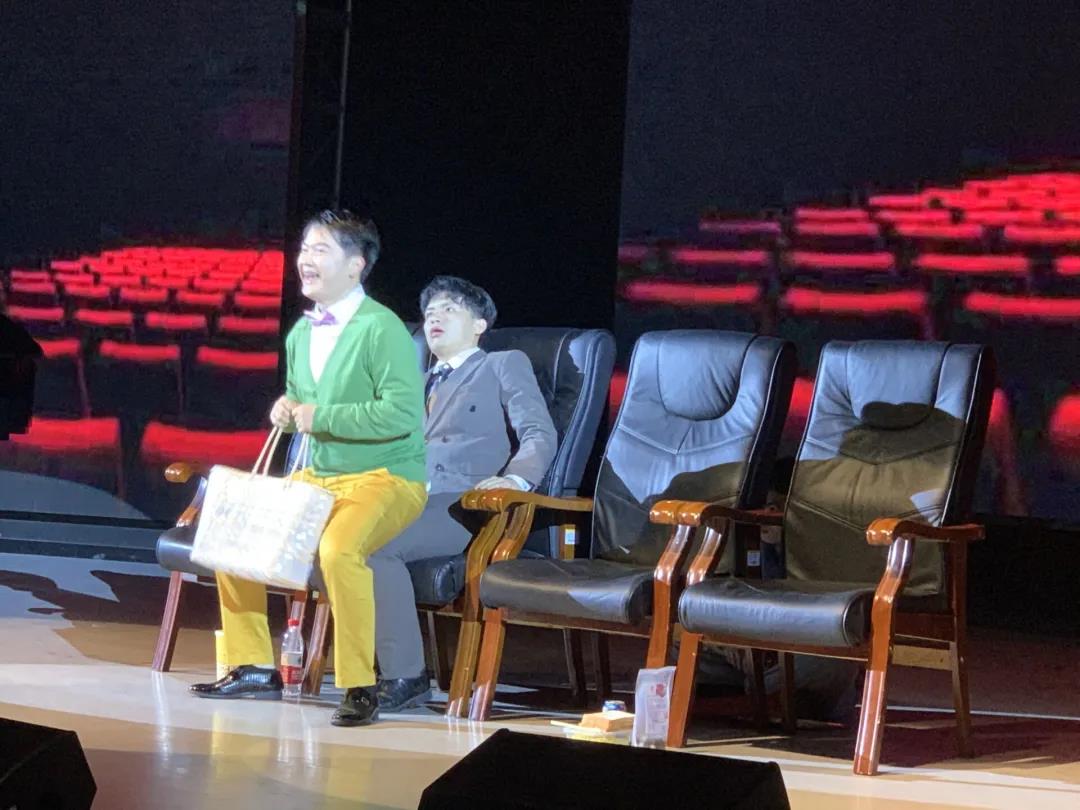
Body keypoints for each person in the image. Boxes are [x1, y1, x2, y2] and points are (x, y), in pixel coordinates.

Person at [190, 210, 428, 727]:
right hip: (320, 476)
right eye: (304, 249)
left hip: (385, 476)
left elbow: (403, 415)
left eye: (321, 250)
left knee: (339, 550)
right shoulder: (301, 332)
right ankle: (254, 665)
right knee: (238, 531)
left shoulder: (381, 327)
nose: (305, 260)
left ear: (356, 265)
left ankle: (359, 684)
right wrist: (288, 409)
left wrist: (319, 416)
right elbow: (303, 401)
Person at [369, 275, 557, 711]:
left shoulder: (501, 364)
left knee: (374, 546)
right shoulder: (413, 383)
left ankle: (405, 675)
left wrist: (516, 480)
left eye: (449, 309)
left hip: (463, 504)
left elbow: (538, 432)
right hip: (404, 497)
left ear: (479, 325)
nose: (435, 317)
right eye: (429, 312)